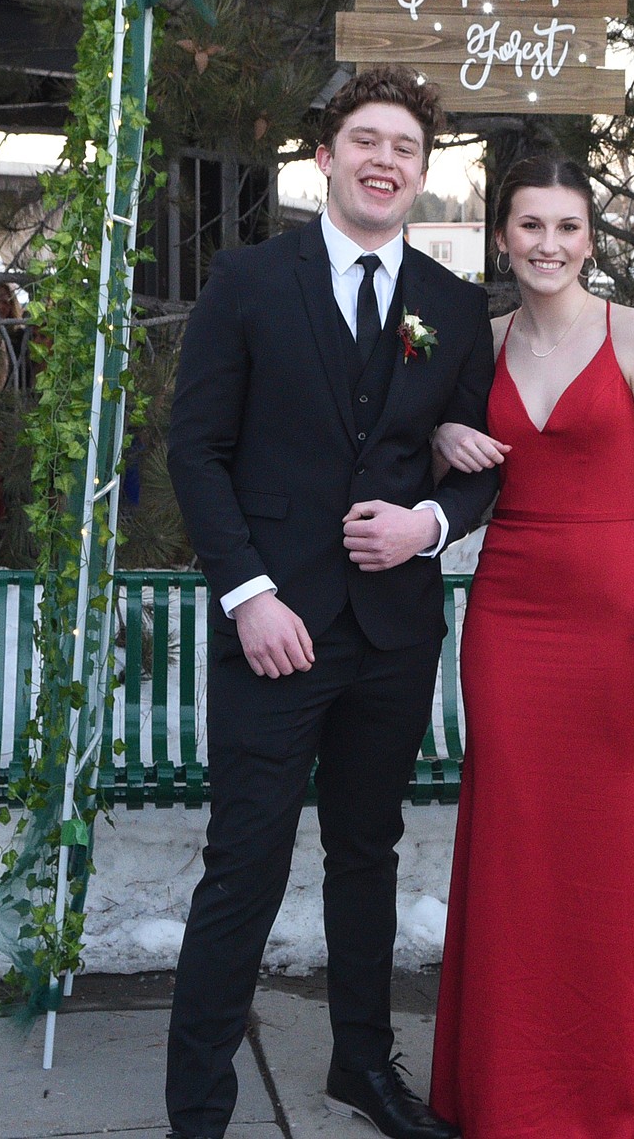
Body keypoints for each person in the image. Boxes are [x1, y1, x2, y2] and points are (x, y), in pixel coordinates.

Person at [164, 66, 498, 1139]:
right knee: (245, 862)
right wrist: (249, 595)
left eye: (405, 145)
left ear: (421, 169)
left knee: (369, 854)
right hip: (275, 631)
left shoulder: (449, 308)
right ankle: (199, 1109)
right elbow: (197, 450)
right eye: (366, 139)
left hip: (393, 633)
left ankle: (364, 1065)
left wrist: (430, 524)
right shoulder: (250, 280)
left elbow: (482, 464)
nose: (385, 159)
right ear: (326, 156)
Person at [428, 154, 634, 1137]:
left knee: (599, 846)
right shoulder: (482, 341)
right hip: (508, 615)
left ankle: (602, 1089)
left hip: (611, 617)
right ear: (502, 235)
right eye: (529, 226)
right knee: (511, 842)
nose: (547, 244)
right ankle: (507, 1088)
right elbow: (437, 446)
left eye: (566, 227)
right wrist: (446, 442)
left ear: (591, 239)